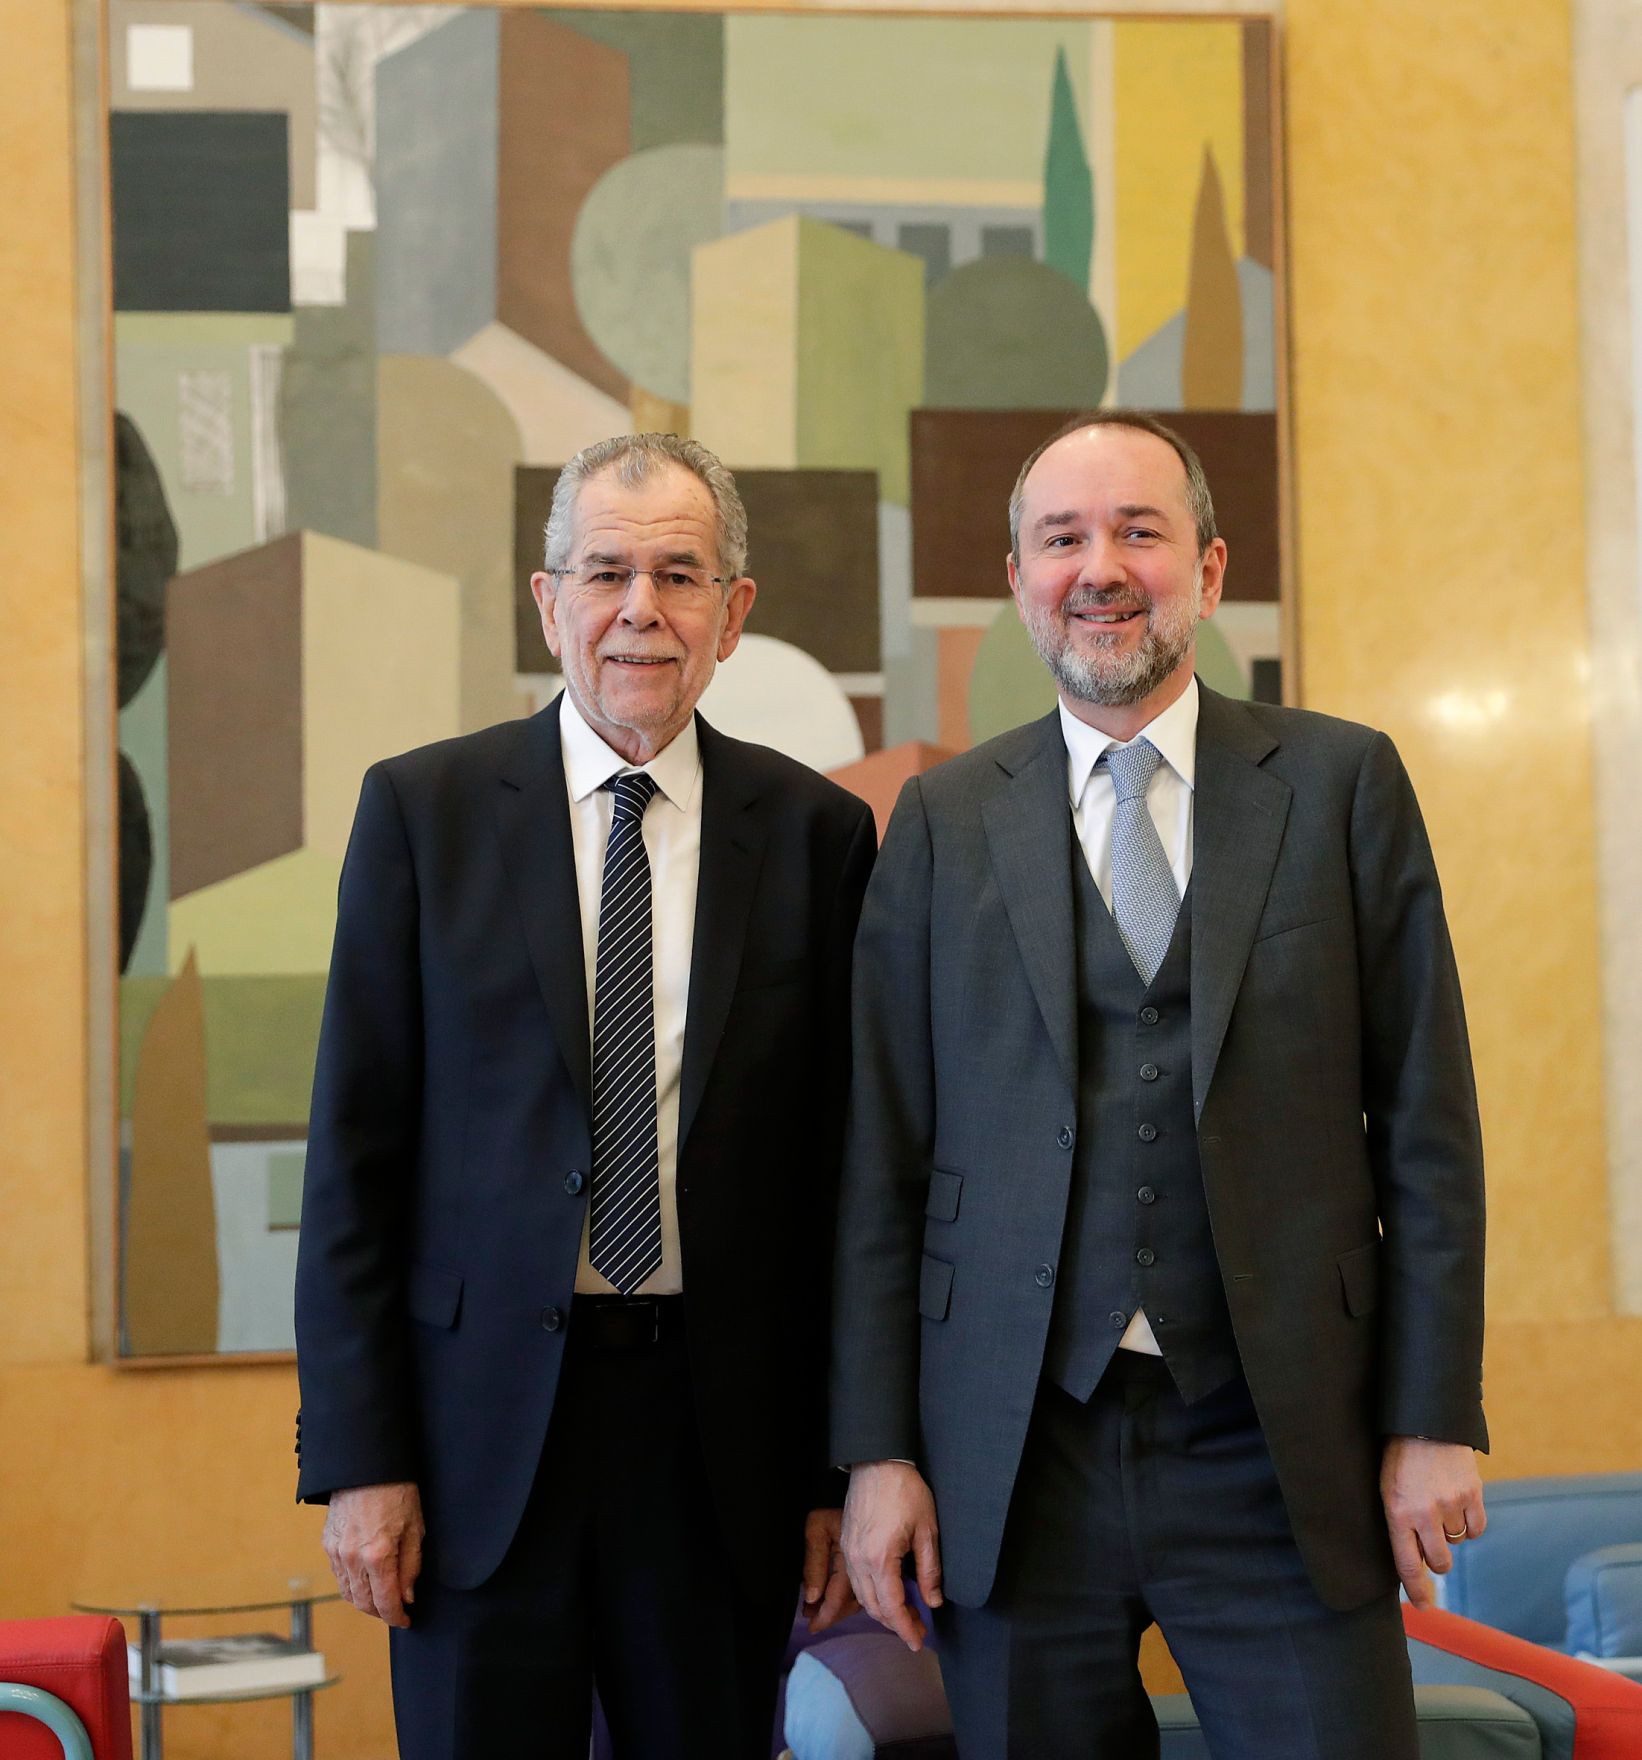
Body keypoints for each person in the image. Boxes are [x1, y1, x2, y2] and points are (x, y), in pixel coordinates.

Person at [830, 410, 1488, 1759]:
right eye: (1061, 537)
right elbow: (878, 1164)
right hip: (1011, 1454)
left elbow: (1425, 1126)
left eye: (1138, 530)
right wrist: (876, 1453)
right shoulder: (943, 821)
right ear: (1016, 576)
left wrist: (1430, 1417)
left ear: (1210, 567)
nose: (1099, 567)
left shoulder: (1338, 782)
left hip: (1279, 1441)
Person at [294, 433, 876, 1760]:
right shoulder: (421, 814)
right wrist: (359, 1461)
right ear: (547, 601)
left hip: (718, 1445)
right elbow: (353, 1166)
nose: (640, 610)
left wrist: (832, 1474)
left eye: (680, 575)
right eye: (605, 572)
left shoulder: (814, 838)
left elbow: (844, 1188)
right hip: (470, 1449)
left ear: (732, 614)